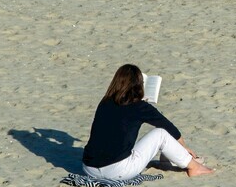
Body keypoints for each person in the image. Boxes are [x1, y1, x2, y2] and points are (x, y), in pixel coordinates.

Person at [82, 64, 214, 180]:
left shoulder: (105, 102)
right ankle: (194, 167)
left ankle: (168, 161)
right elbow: (168, 126)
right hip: (118, 171)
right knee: (161, 134)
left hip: (89, 169)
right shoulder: (139, 106)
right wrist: (184, 147)